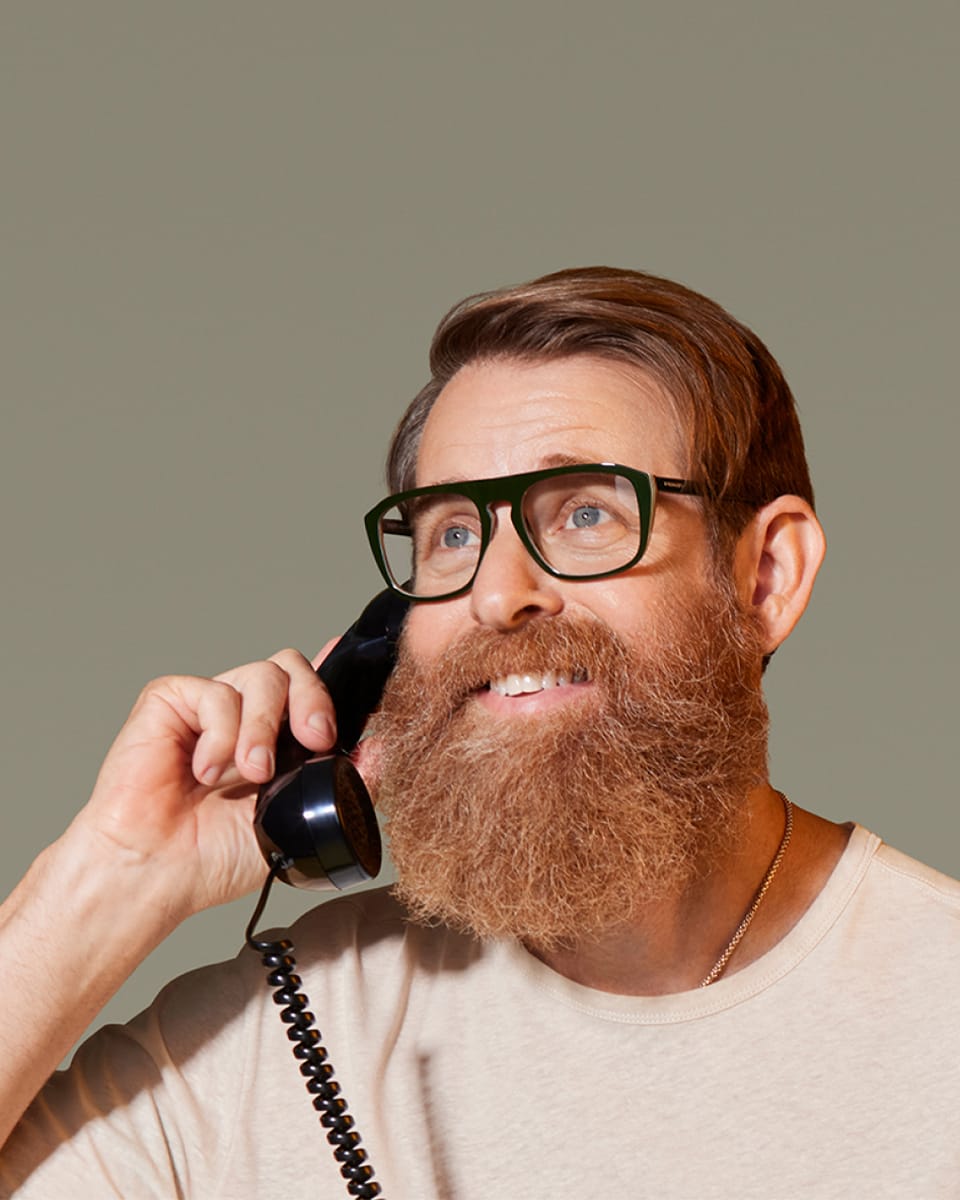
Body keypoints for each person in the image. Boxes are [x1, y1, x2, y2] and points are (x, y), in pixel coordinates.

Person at [1, 267, 957, 1199]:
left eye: (586, 512)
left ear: (766, 577)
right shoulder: (265, 1041)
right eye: (454, 533)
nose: (499, 595)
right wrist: (113, 875)